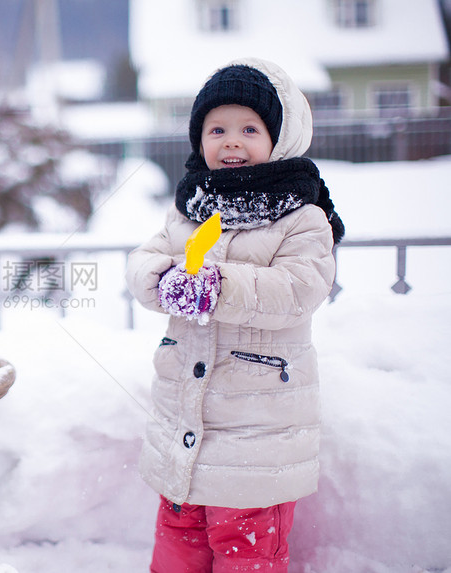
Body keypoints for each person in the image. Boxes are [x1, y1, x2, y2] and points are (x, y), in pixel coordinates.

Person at [125, 58, 345, 573]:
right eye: (217, 129)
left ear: (280, 137)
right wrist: (164, 280)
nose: (231, 141)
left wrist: (218, 287)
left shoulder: (303, 217)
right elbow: (144, 259)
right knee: (179, 543)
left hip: (257, 432)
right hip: (185, 424)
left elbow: (298, 288)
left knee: (247, 550)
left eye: (249, 129)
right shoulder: (190, 209)